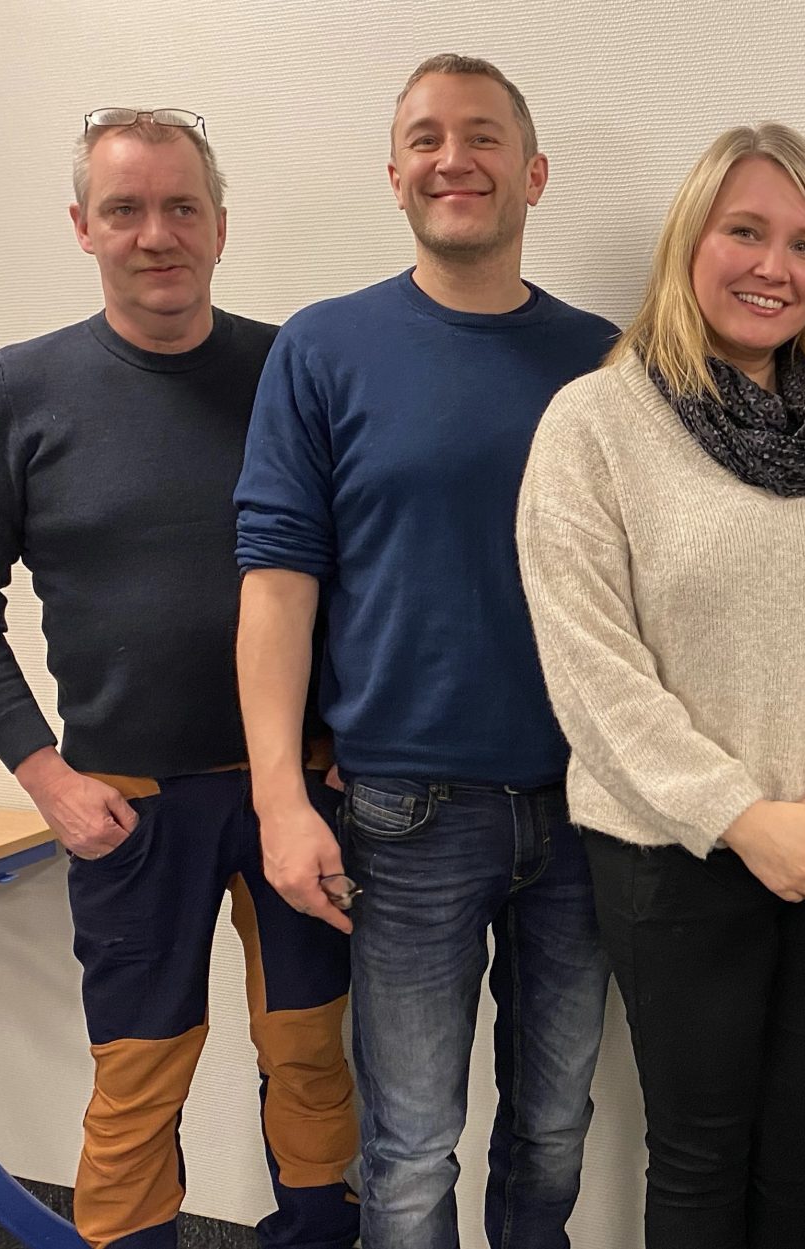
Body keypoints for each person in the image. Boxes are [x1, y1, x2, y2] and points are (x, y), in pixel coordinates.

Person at [0, 109, 356, 1249]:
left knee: (314, 1055)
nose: (155, 233)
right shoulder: (13, 394)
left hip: (297, 790)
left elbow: (364, 570)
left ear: (220, 225)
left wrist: (354, 748)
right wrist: (47, 778)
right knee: (138, 1076)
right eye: (125, 209)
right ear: (83, 226)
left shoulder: (294, 372)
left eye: (180, 207)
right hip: (129, 806)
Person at [234, 54, 615, 1249]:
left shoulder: (606, 359)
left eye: (485, 136)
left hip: (588, 807)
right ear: (394, 173)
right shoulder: (323, 348)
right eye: (428, 138)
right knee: (405, 1152)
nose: (456, 159)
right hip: (404, 814)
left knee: (554, 1133)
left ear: (534, 173)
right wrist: (280, 800)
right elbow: (277, 589)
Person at [517, 122, 805, 1249]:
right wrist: (741, 815)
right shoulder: (595, 421)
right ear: (690, 239)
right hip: (672, 853)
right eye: (745, 231)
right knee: (699, 1151)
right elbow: (589, 661)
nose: (774, 266)